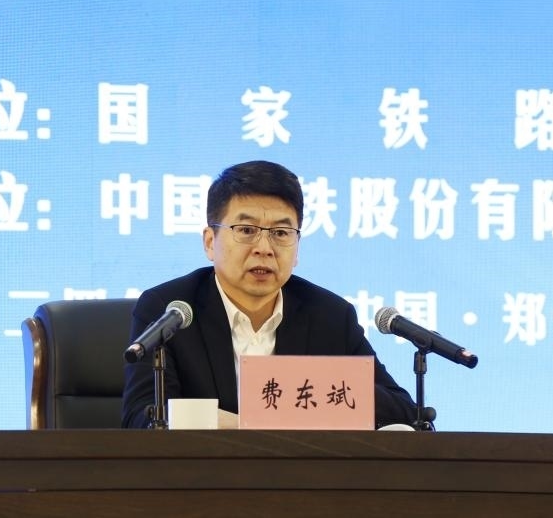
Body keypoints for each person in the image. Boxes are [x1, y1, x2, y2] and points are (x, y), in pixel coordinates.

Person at [121, 160, 417, 429]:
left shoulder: (330, 316)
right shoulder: (169, 312)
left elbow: (403, 412)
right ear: (210, 242)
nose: (264, 248)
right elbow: (141, 418)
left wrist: (310, 392)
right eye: (246, 230)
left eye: (280, 233)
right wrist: (240, 426)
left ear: (297, 247)